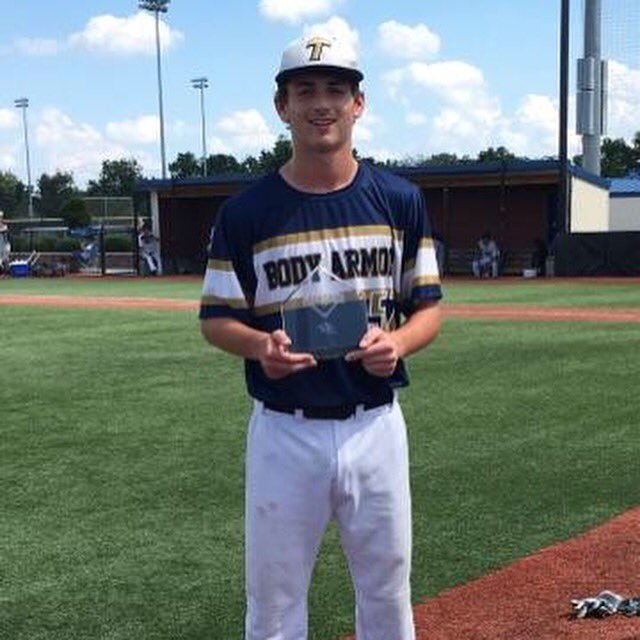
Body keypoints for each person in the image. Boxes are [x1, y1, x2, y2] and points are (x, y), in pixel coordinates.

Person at [199, 32, 442, 640]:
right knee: (274, 604)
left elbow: (428, 309)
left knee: (388, 594)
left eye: (336, 89)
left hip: (375, 423)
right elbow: (216, 317)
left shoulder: (399, 200)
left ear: (358, 103)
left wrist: (398, 344)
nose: (321, 103)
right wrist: (260, 346)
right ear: (282, 107)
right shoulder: (246, 212)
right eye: (304, 90)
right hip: (285, 428)